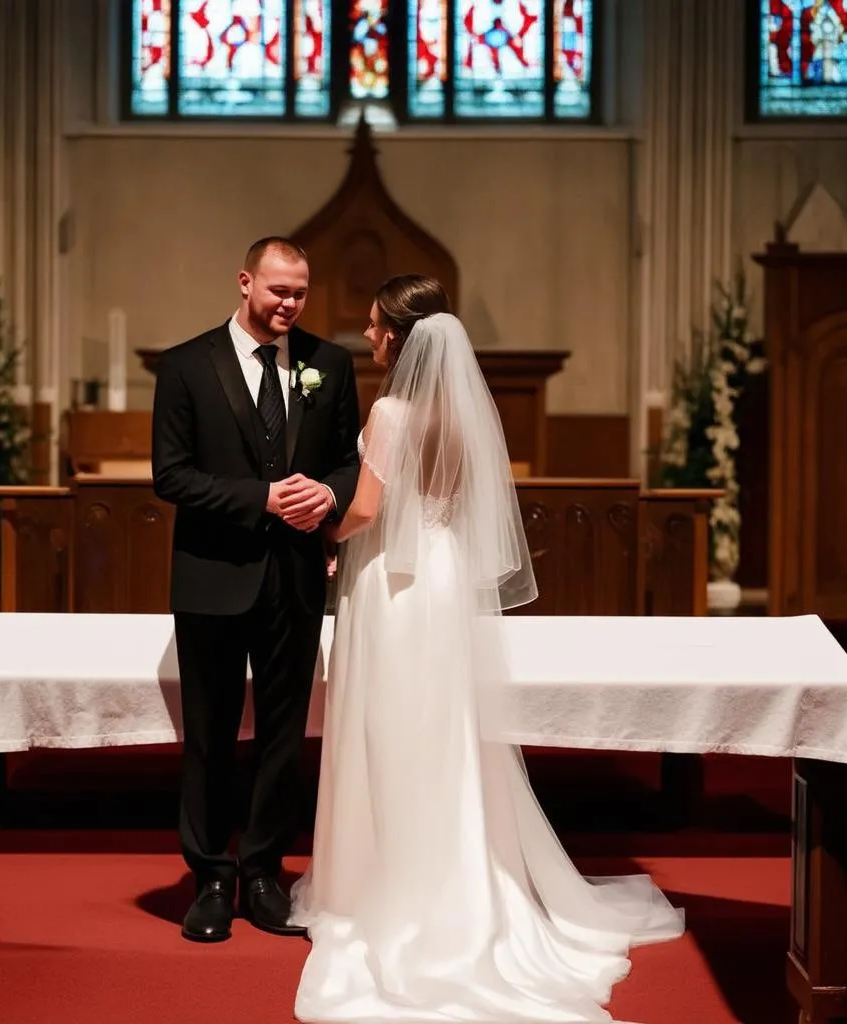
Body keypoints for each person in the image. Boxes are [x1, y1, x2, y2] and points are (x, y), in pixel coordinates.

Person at [290, 275, 684, 1022]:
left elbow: (367, 510)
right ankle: (456, 868)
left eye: (376, 329)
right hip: (441, 583)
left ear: (402, 339)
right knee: (442, 733)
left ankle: (380, 879)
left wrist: (318, 527)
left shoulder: (393, 412)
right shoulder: (464, 415)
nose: (369, 339)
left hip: (393, 589)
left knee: (388, 728)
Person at [152, 237, 360, 944]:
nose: (289, 305)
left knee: (282, 734)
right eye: (277, 291)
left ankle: (264, 872)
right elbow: (170, 475)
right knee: (208, 734)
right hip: (213, 575)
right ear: (245, 282)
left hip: (296, 577)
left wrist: (326, 496)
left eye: (299, 293)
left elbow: (348, 464)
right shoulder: (186, 366)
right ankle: (211, 877)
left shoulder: (327, 365)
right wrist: (263, 498)